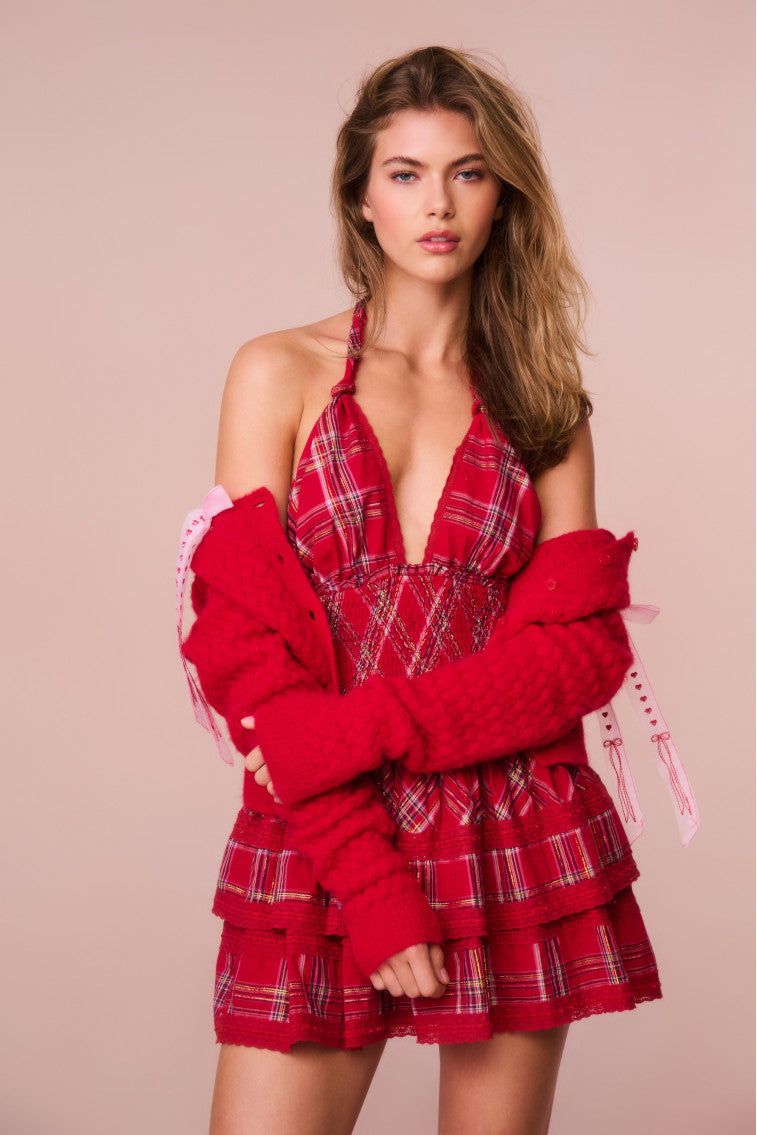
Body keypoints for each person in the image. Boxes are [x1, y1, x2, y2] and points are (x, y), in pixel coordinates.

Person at [179, 45, 665, 1135]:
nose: (436, 204)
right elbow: (243, 650)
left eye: (467, 172)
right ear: (361, 195)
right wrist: (370, 879)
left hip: (510, 829)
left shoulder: (543, 402)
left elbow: (575, 654)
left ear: (503, 196)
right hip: (323, 831)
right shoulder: (277, 372)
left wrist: (360, 728)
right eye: (405, 173)